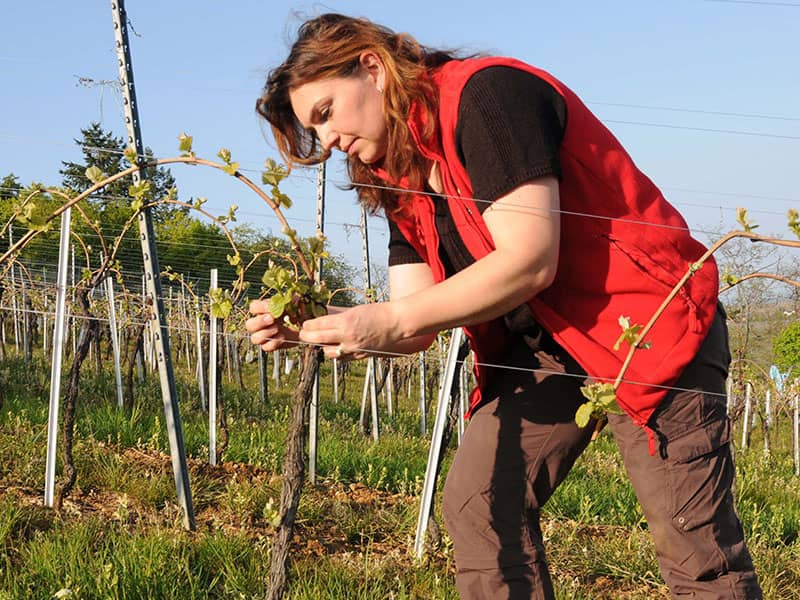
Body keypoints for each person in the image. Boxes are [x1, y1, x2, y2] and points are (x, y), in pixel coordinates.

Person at [246, 13, 762, 600]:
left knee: (696, 553)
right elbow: (412, 319)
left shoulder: (487, 96)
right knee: (480, 504)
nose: (329, 139)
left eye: (327, 111)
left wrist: (389, 320)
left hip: (642, 325)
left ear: (372, 68)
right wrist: (312, 329)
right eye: (316, 129)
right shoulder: (396, 172)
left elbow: (528, 260)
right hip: (542, 347)